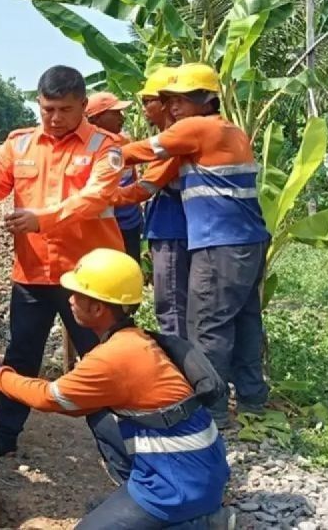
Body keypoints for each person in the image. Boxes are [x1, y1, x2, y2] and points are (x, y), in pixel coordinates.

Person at [0, 248, 232, 529]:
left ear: (97, 308)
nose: (70, 300)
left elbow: (46, 398)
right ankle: (162, 508)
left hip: (179, 486)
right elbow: (78, 404)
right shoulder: (135, 340)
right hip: (201, 468)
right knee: (99, 416)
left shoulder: (112, 358)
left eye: (77, 294)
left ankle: (198, 522)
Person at [120, 63, 271, 428]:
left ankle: (212, 411)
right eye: (169, 101)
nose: (173, 109)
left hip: (219, 243)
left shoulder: (196, 127)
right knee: (246, 321)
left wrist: (101, 156)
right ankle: (252, 400)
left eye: (181, 101)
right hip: (248, 241)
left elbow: (141, 151)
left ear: (206, 100)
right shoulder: (230, 130)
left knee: (207, 326)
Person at [0, 65, 126, 468]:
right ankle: (2, 437)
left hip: (90, 281)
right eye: (48, 108)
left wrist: (41, 218)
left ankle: (121, 446)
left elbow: (94, 197)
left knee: (104, 359)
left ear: (84, 106)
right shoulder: (17, 146)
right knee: (21, 355)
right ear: (38, 103)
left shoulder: (107, 147)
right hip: (32, 274)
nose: (55, 118)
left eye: (65, 110)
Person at [116, 66, 189, 338]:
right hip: (168, 227)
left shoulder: (178, 138)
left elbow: (146, 186)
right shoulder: (167, 138)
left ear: (168, 103)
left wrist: (103, 197)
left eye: (149, 101)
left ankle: (182, 374)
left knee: (172, 306)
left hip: (174, 230)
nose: (144, 108)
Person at [85, 91, 142, 262]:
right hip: (106, 226)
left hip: (130, 222)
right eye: (115, 113)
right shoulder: (91, 146)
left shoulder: (124, 142)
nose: (122, 117)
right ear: (96, 118)